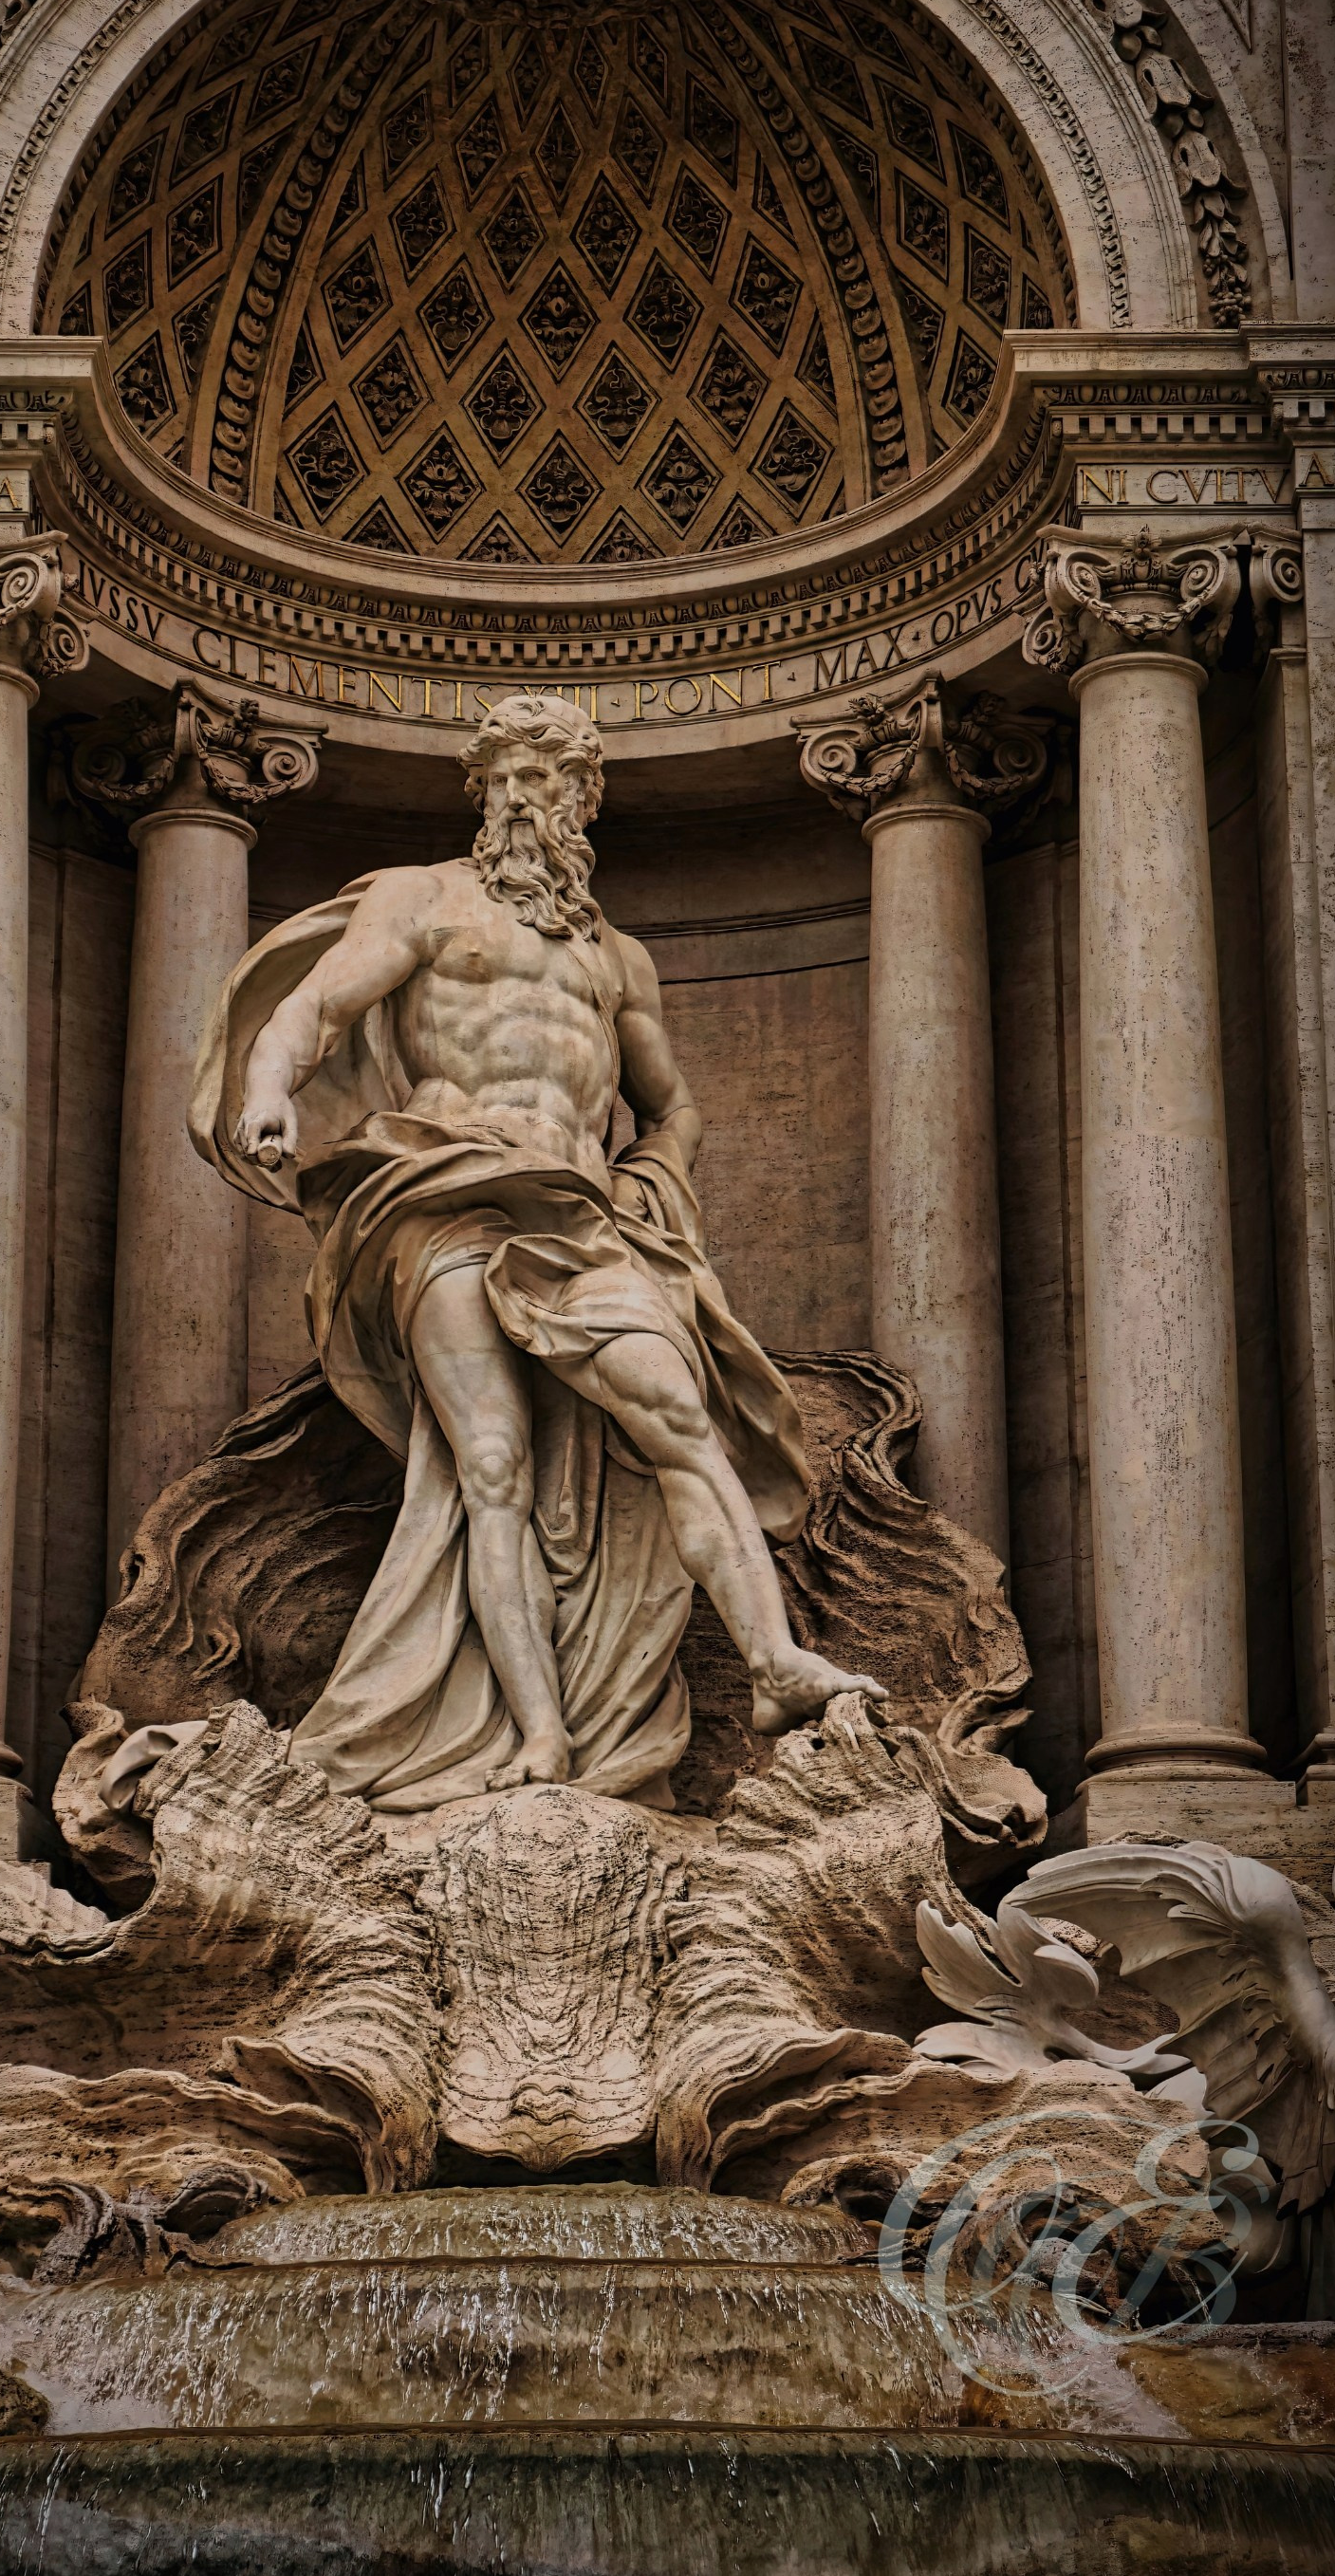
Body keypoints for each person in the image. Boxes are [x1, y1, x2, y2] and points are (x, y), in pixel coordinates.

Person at [190, 691, 878, 1811]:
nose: (517, 797)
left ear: (581, 798)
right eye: (501, 777)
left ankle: (772, 1663)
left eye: (541, 779)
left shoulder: (618, 960)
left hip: (582, 1213)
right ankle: (539, 1738)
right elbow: (313, 1009)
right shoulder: (425, 901)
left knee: (680, 1418)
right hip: (447, 1193)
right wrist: (268, 1087)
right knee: (491, 1469)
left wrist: (653, 1189)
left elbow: (673, 1107)